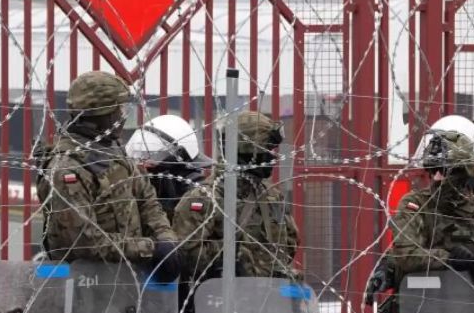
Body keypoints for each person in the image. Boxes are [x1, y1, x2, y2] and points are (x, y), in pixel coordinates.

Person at [366, 114, 474, 300]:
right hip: (426, 306)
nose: (437, 177)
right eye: (433, 170)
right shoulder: (416, 204)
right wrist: (452, 259)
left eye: (445, 170)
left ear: (466, 169)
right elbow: (407, 251)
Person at [36, 71, 181, 281]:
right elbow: (84, 242)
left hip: (126, 284)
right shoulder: (68, 168)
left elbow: (147, 201)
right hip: (83, 289)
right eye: (119, 109)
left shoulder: (112, 149)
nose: (123, 115)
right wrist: (150, 249)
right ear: (104, 115)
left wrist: (166, 241)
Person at [172, 111, 299, 280]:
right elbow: (185, 256)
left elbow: (290, 243)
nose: (272, 157)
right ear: (245, 152)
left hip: (270, 299)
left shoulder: (271, 196)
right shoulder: (205, 198)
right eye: (266, 150)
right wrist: (233, 255)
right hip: (222, 299)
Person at [125, 114, 212, 219]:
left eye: (152, 155)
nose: (143, 162)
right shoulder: (136, 186)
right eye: (141, 155)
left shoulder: (196, 192)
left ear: (179, 155)